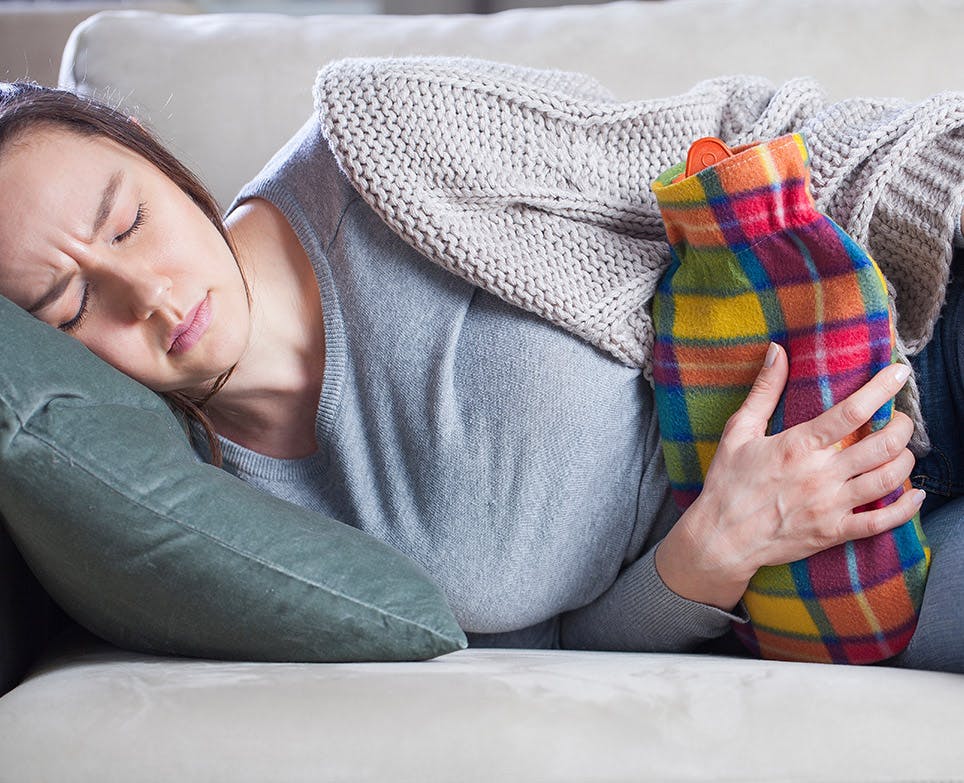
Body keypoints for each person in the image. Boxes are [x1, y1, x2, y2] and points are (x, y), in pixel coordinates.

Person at [0, 68, 961, 672]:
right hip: (848, 561)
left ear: (155, 159)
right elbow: (555, 659)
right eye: (70, 306)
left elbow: (717, 136)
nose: (150, 295)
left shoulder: (375, 147)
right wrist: (709, 552)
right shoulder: (215, 518)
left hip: (919, 340)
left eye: (125, 221)